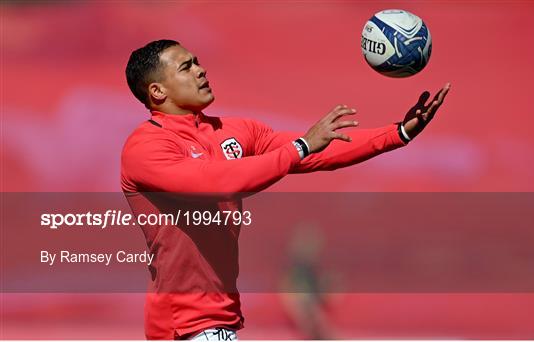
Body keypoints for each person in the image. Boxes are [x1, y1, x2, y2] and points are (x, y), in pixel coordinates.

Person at [121, 39, 450, 340]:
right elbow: (218, 181)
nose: (200, 69)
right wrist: (301, 147)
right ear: (158, 91)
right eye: (186, 67)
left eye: (197, 61)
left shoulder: (235, 131)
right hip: (184, 325)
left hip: (218, 318)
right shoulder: (146, 147)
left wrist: (397, 134)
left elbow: (319, 151)